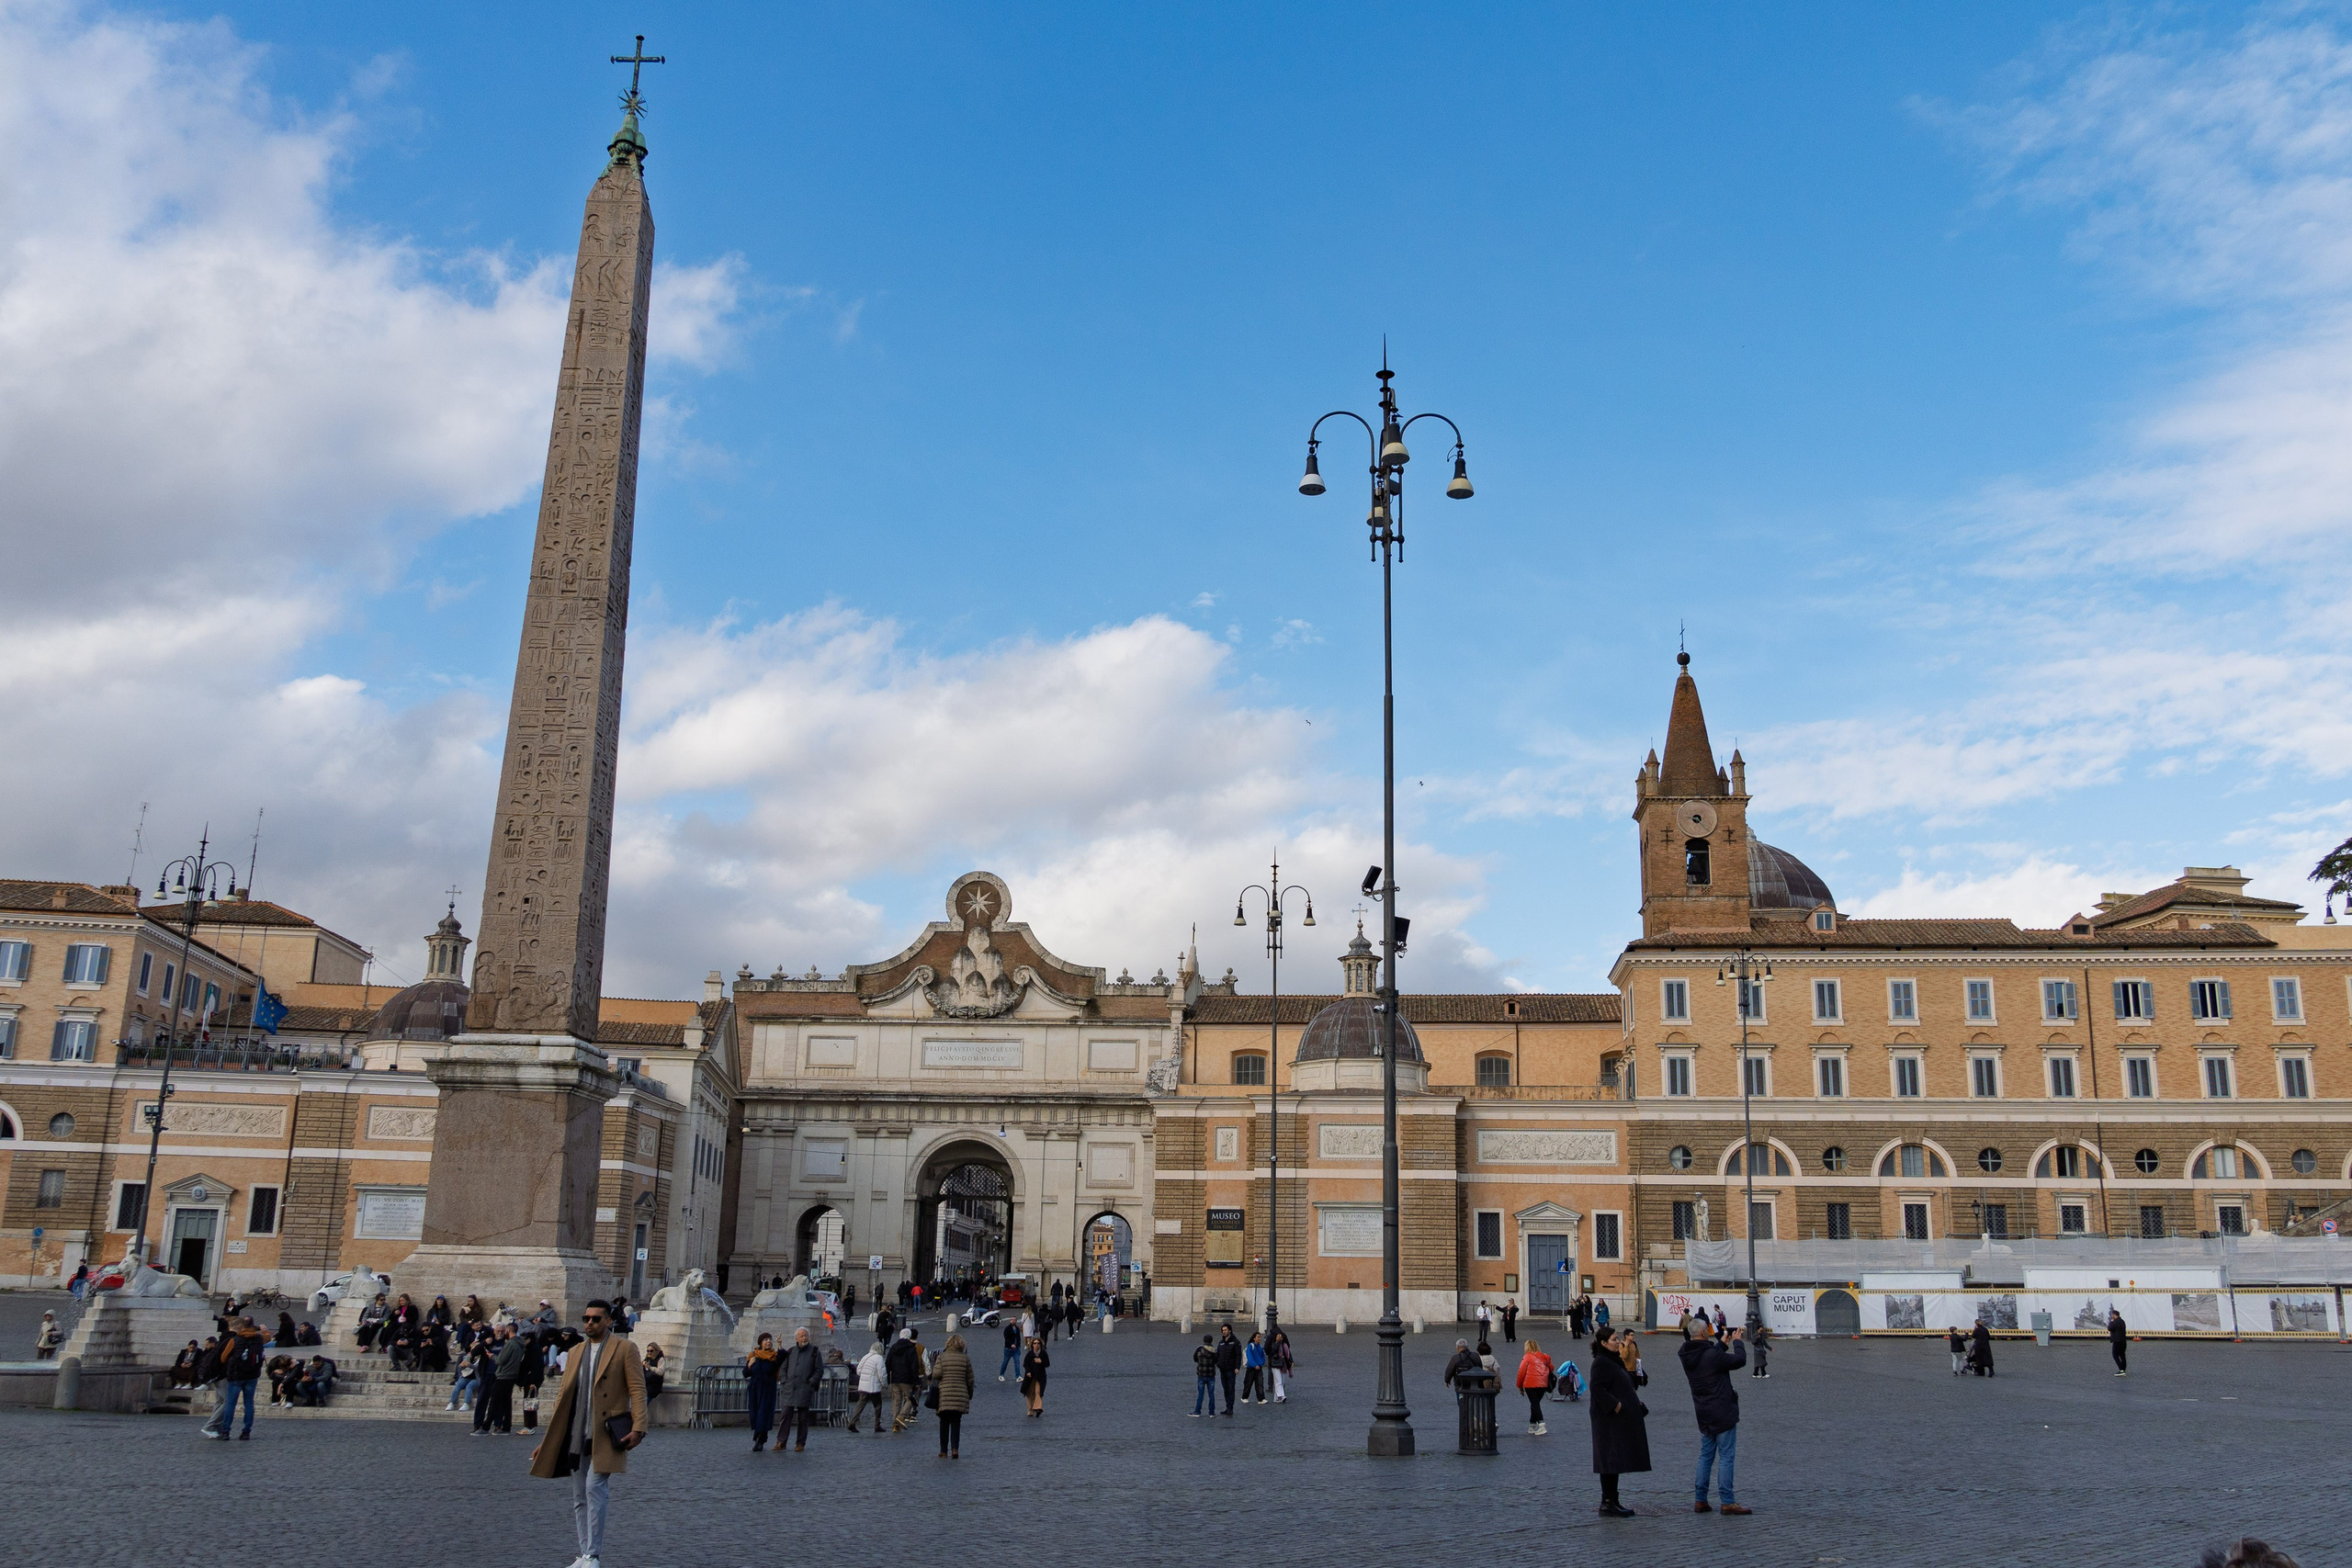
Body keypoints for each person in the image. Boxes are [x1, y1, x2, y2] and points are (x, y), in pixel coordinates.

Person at [528, 1299, 647, 1568]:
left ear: (609, 1321)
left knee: (595, 1488)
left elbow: (638, 1390)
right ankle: (584, 1553)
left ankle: (593, 1554)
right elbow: (563, 1398)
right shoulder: (575, 1351)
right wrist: (548, 1441)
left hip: (607, 1432)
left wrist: (639, 1428)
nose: (589, 1323)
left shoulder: (624, 1348)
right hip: (576, 1432)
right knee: (579, 1496)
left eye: (595, 1318)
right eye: (586, 1318)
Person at [1679, 1315, 1751, 1515]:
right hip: (1722, 1410)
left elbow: (1707, 1359)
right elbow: (1739, 1361)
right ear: (1704, 1332)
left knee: (1705, 1456)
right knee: (1726, 1456)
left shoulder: (1687, 1354)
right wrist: (1737, 1342)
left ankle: (1700, 1499)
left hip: (1703, 1411)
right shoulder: (1712, 1355)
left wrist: (1721, 1345)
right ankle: (1727, 1501)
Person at [1588, 1325, 1650, 1517]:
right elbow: (1597, 1388)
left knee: (1614, 1460)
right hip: (1607, 1420)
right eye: (1614, 1339)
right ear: (1604, 1343)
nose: (1618, 1342)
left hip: (1617, 1419)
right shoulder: (1601, 1362)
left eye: (1617, 1338)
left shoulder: (1613, 1360)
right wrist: (1616, 1405)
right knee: (1609, 1460)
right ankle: (1607, 1503)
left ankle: (1613, 1500)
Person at [202, 1314, 267, 1440]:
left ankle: (225, 1431)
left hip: (236, 1376)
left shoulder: (235, 1340)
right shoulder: (259, 1338)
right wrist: (264, 1330)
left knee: (230, 1404)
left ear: (241, 1326)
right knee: (249, 1404)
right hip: (252, 1375)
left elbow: (223, 1358)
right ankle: (246, 1431)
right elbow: (267, 1338)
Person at [776, 1325, 823, 1452]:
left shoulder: (815, 1351)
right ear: (796, 1338)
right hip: (790, 1389)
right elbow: (783, 1368)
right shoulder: (791, 1351)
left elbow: (819, 1370)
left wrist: (811, 1383)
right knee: (785, 1416)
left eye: (806, 1335)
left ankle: (800, 1443)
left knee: (803, 1418)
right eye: (801, 1336)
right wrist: (784, 1381)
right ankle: (781, 1442)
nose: (804, 1338)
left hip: (804, 1389)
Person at [933, 1331, 974, 1458]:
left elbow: (936, 1374)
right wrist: (969, 1394)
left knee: (944, 1423)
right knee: (956, 1422)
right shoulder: (965, 1358)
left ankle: (943, 1450)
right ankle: (955, 1449)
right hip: (960, 1393)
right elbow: (970, 1379)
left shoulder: (942, 1357)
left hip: (944, 1394)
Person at [743, 1333, 781, 1450]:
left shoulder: (773, 1356)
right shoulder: (754, 1355)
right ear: (761, 1342)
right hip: (755, 1387)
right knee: (755, 1412)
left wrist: (780, 1346)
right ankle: (758, 1435)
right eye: (765, 1339)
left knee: (763, 1413)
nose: (768, 1341)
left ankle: (761, 1439)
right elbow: (745, 1374)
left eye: (770, 1339)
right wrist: (749, 1366)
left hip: (768, 1388)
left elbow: (781, 1360)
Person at [886, 1328, 923, 1434]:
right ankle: (901, 1417)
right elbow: (914, 1366)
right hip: (907, 1379)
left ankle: (895, 1424)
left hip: (895, 1378)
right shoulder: (911, 1348)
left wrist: (888, 1378)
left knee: (896, 1401)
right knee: (911, 1399)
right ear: (909, 1337)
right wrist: (916, 1381)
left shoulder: (893, 1348)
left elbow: (887, 1363)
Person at [1515, 1337, 1555, 1434]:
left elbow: (1521, 1372)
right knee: (1535, 1403)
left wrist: (1519, 1386)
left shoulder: (1527, 1357)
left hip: (1530, 1384)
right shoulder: (1545, 1356)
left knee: (1535, 1404)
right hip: (1543, 1384)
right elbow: (1551, 1368)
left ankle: (1541, 1425)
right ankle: (1532, 1425)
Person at [848, 1337, 888, 1433]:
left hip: (863, 1386)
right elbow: (882, 1374)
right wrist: (885, 1384)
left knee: (860, 1404)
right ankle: (877, 1425)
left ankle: (852, 1422)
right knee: (878, 1405)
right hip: (873, 1386)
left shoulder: (865, 1356)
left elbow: (859, 1371)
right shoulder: (879, 1358)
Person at [1215, 1324, 1243, 1416]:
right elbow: (1218, 1354)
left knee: (1231, 1389)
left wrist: (1237, 1367)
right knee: (1225, 1389)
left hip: (1231, 1369)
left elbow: (1238, 1355)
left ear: (1230, 1330)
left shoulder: (1235, 1342)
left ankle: (1230, 1408)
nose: (1224, 1332)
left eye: (1225, 1330)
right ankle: (1227, 1406)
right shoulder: (1221, 1342)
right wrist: (1218, 1364)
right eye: (1223, 1330)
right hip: (1222, 1369)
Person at [1021, 1335, 1049, 1417]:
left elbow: (1047, 1364)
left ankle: (1038, 1408)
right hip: (1030, 1377)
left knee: (1038, 1391)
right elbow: (1025, 1364)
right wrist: (1028, 1372)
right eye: (1035, 1343)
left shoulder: (1043, 1353)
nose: (1036, 1345)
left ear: (1041, 1345)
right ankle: (1030, 1410)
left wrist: (1041, 1362)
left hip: (1040, 1376)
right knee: (1030, 1393)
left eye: (1038, 1343)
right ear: (1032, 1345)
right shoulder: (1030, 1354)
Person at [1192, 1335, 1219, 1417]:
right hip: (1211, 1375)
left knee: (1200, 1394)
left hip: (1201, 1374)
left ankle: (1197, 1411)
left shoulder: (1199, 1349)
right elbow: (1216, 1361)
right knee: (1211, 1394)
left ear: (1204, 1340)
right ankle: (1211, 1412)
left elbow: (1195, 1359)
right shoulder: (1215, 1351)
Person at [1240, 1332, 1268, 1404]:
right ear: (1254, 1338)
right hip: (1251, 1368)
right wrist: (1254, 1365)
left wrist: (1261, 1363)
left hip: (1259, 1367)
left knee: (1260, 1383)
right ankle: (1244, 1397)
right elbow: (1249, 1356)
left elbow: (1263, 1356)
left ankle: (1261, 1399)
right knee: (1248, 1383)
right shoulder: (1251, 1346)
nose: (1259, 1338)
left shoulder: (1260, 1346)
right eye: (1258, 1337)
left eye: (1260, 1337)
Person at [1269, 1328, 1294, 1403]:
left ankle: (1276, 1398)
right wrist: (1277, 1342)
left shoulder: (1285, 1345)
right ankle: (1282, 1396)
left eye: (1281, 1337)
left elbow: (1288, 1354)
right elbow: (1274, 1350)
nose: (1280, 1338)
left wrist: (1291, 1361)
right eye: (1279, 1337)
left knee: (1282, 1381)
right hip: (1275, 1364)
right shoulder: (1273, 1344)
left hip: (1283, 1365)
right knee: (1278, 1381)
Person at [639, 1341, 666, 1405]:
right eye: (648, 1351)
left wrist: (650, 1367)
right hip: (645, 1385)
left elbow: (661, 1372)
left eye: (651, 1351)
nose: (649, 1353)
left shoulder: (660, 1359)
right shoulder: (647, 1359)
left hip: (653, 1386)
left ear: (656, 1351)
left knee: (642, 1405)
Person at [1000, 1315, 1022, 1382]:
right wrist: (1011, 1344)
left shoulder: (1017, 1328)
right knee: (1005, 1362)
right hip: (1008, 1348)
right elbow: (1006, 1338)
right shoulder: (1007, 1328)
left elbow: (1018, 1338)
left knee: (1017, 1362)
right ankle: (1001, 1375)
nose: (1013, 1321)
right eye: (1012, 1320)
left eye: (1014, 1320)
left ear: (1016, 1321)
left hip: (1016, 1349)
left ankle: (1018, 1376)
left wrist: (1017, 1345)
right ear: (1010, 1321)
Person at [2109, 1308, 2129, 1376]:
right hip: (2123, 1340)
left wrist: (2111, 1322)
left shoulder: (2115, 1322)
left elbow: (2109, 1328)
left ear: (2114, 1315)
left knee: (2115, 1355)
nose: (2112, 1316)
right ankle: (2123, 1369)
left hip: (2117, 1341)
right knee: (2122, 1355)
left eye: (2112, 1315)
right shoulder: (2122, 1321)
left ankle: (2121, 1370)